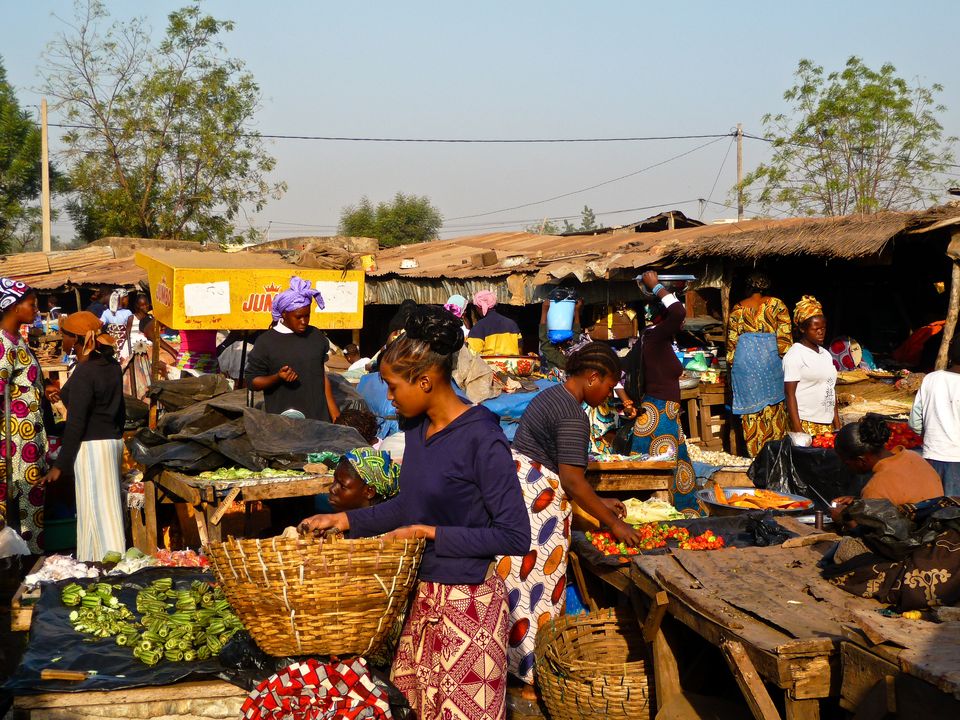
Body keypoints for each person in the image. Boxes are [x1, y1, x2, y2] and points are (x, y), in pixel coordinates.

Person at [299, 305, 529, 720]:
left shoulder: (483, 439)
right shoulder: (418, 433)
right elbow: (407, 505)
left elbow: (514, 535)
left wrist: (430, 533)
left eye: (392, 386)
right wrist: (345, 520)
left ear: (424, 381)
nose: (388, 397)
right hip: (425, 602)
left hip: (470, 607)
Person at [507, 342, 640, 684]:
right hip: (537, 507)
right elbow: (572, 480)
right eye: (610, 386)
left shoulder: (551, 396)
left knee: (518, 594)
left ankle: (516, 671)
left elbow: (566, 475)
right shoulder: (573, 415)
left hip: (520, 497)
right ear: (593, 377)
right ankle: (533, 679)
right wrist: (613, 524)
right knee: (536, 596)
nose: (610, 395)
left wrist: (599, 504)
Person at [41, 323, 125, 562]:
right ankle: (98, 562)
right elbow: (118, 409)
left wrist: (61, 465)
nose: (62, 340)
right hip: (111, 443)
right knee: (103, 509)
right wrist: (52, 393)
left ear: (76, 339)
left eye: (65, 335)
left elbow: (75, 423)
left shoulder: (86, 372)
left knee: (96, 511)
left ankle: (107, 565)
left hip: (92, 447)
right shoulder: (110, 366)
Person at [623, 271, 698, 515]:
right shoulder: (655, 336)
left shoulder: (654, 339)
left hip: (664, 415)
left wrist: (627, 400)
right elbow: (679, 312)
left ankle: (680, 514)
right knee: (662, 472)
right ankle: (660, 516)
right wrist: (656, 286)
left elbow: (619, 372)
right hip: (659, 416)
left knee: (679, 469)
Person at [246, 277, 340, 423]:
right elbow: (253, 382)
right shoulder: (266, 342)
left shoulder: (315, 336)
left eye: (307, 315)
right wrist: (277, 377)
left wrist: (334, 414)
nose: (304, 321)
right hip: (284, 425)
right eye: (298, 317)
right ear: (284, 314)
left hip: (319, 422)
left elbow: (321, 375)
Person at [0, 279, 48, 553]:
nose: (36, 310)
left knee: (31, 504)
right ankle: (19, 567)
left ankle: (29, 564)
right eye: (32, 305)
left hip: (28, 437)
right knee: (18, 507)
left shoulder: (18, 341)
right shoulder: (3, 344)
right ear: (15, 306)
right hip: (14, 441)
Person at [831, 414, 943, 523]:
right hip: (942, 529)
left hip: (918, 537)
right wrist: (859, 503)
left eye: (847, 463)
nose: (847, 467)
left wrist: (842, 518)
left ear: (861, 461)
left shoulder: (875, 488)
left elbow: (871, 534)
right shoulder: (914, 456)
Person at [727, 273, 792, 456]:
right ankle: (774, 455)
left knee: (752, 415)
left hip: (745, 368)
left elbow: (732, 346)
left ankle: (757, 456)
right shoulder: (777, 305)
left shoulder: (737, 309)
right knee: (775, 411)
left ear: (747, 287)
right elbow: (785, 342)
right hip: (771, 365)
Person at [909, 337, 960, 494]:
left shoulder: (931, 379)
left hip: (931, 457)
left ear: (950, 354)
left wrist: (931, 435)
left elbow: (915, 422)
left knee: (933, 508)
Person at [783, 296, 840, 436]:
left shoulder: (826, 354)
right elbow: (789, 394)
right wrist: (798, 429)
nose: (821, 332)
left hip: (827, 424)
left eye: (823, 328)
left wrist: (837, 425)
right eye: (816, 328)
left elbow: (831, 390)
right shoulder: (795, 355)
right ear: (802, 329)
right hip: (805, 423)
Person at [327, 448, 401, 512]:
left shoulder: (379, 527)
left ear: (369, 492)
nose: (332, 489)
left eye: (342, 486)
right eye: (334, 480)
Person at [466, 290, 522, 356]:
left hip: (488, 366)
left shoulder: (478, 328)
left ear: (478, 307)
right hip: (512, 365)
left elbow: (472, 355)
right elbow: (520, 350)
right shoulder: (512, 324)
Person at [100, 289, 135, 359]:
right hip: (123, 344)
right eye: (127, 299)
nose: (128, 301)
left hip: (111, 344)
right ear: (122, 299)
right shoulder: (128, 313)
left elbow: (100, 324)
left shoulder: (106, 312)